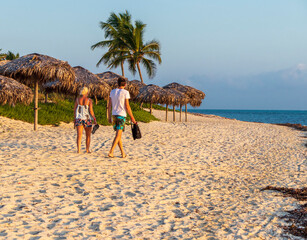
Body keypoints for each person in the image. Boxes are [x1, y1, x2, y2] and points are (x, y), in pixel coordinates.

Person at [108, 77, 137, 158]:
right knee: (118, 135)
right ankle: (111, 151)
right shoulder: (125, 92)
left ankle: (123, 153)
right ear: (125, 84)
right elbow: (127, 106)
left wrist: (109, 116)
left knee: (118, 135)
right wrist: (132, 117)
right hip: (121, 115)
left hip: (114, 115)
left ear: (118, 83)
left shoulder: (112, 92)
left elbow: (109, 105)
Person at [74, 87, 97, 153]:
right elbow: (91, 111)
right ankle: (87, 149)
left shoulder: (77, 99)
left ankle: (78, 150)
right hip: (87, 119)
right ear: (87, 92)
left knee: (79, 135)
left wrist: (74, 119)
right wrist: (94, 119)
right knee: (88, 135)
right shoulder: (89, 100)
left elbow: (75, 110)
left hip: (79, 118)